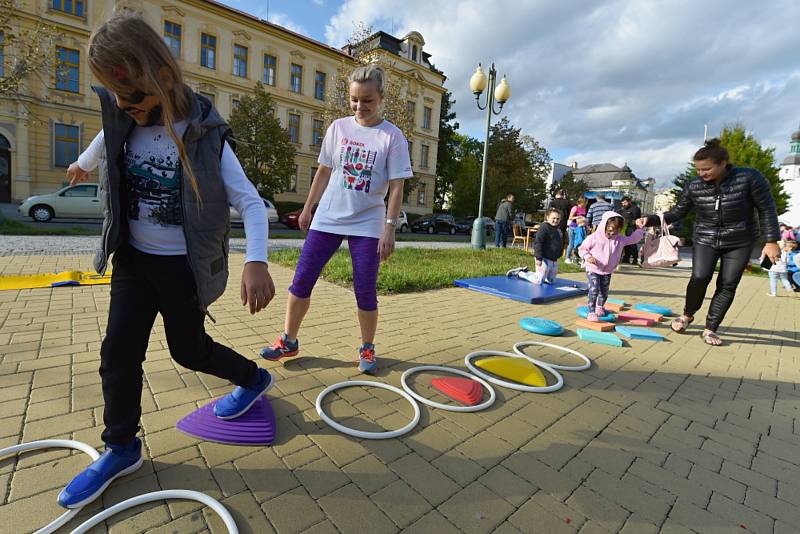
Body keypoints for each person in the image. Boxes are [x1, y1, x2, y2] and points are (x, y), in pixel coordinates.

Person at [55, 11, 276, 509]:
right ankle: (121, 446)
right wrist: (82, 163)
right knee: (118, 352)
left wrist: (256, 262)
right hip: (133, 260)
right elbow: (105, 138)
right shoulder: (124, 117)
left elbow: (251, 205)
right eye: (114, 96)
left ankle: (254, 377)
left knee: (189, 351)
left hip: (181, 270)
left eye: (131, 96)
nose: (122, 106)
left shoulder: (205, 137)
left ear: (163, 78)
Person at [259, 64, 412, 375]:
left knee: (365, 289)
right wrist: (307, 208)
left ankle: (367, 346)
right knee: (302, 280)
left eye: (367, 100)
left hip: (368, 221)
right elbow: (324, 171)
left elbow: (397, 187)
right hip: (328, 217)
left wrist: (390, 228)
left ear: (381, 98)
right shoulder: (338, 128)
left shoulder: (391, 137)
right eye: (354, 99)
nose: (359, 106)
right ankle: (288, 340)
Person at [648, 139, 780, 346]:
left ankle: (711, 328)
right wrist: (651, 219)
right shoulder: (694, 185)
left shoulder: (749, 178)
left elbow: (767, 209)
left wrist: (771, 240)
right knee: (700, 276)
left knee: (727, 284)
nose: (701, 174)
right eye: (698, 169)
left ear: (723, 163)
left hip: (740, 239)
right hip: (705, 237)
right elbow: (677, 212)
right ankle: (687, 315)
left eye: (706, 169)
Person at [579, 211, 646, 321]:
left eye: (616, 230)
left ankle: (599, 307)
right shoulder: (594, 237)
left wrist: (640, 229)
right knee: (594, 289)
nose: (612, 233)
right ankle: (591, 312)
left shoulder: (620, 239)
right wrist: (588, 257)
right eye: (610, 229)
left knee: (604, 292)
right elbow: (582, 248)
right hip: (593, 268)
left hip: (608, 270)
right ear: (604, 225)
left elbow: (633, 239)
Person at [530, 207, 563, 284]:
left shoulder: (558, 229)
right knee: (539, 280)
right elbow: (538, 242)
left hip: (553, 259)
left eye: (558, 219)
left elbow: (559, 243)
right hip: (543, 258)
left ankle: (544, 276)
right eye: (553, 218)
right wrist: (538, 257)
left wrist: (558, 255)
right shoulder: (544, 227)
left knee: (551, 280)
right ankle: (521, 273)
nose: (555, 220)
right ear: (548, 217)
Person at [619, 196, 642, 264]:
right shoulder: (623, 209)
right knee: (625, 243)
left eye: (625, 202)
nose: (623, 204)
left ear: (629, 201)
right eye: (622, 203)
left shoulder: (635, 209)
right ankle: (626, 257)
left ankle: (635, 258)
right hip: (624, 228)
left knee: (632, 243)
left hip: (632, 228)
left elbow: (636, 219)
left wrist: (630, 221)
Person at [565, 197, 587, 263]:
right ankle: (567, 258)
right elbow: (570, 217)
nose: (587, 203)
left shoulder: (584, 208)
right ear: (582, 202)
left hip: (580, 228)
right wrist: (578, 217)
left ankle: (576, 258)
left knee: (579, 243)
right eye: (586, 202)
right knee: (571, 243)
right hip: (573, 227)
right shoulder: (575, 208)